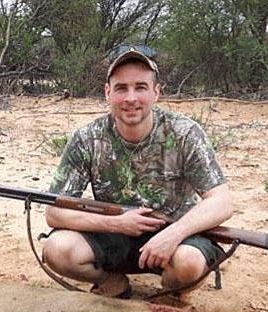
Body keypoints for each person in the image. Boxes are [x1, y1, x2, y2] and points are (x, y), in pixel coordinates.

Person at [42, 45, 235, 298]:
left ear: (156, 93)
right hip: (113, 235)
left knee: (189, 263)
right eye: (121, 88)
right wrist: (115, 223)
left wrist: (173, 234)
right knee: (57, 249)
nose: (130, 98)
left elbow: (222, 201)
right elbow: (54, 211)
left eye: (140, 87)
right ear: (108, 93)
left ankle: (172, 289)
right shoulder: (87, 138)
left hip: (174, 236)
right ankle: (111, 282)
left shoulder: (186, 133)